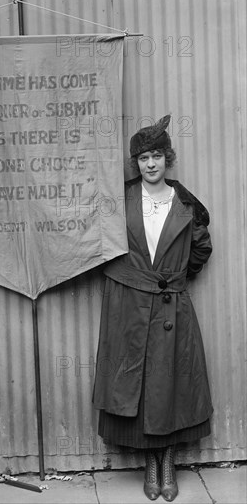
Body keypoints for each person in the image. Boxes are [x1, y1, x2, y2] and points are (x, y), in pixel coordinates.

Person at [93, 115, 213, 502]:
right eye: (143, 157)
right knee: (140, 384)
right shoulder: (121, 199)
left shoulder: (186, 202)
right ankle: (150, 463)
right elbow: (100, 244)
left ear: (167, 159)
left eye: (157, 156)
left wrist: (174, 280)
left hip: (170, 306)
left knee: (173, 384)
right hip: (131, 305)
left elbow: (200, 249)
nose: (150, 164)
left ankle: (169, 462)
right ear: (136, 162)